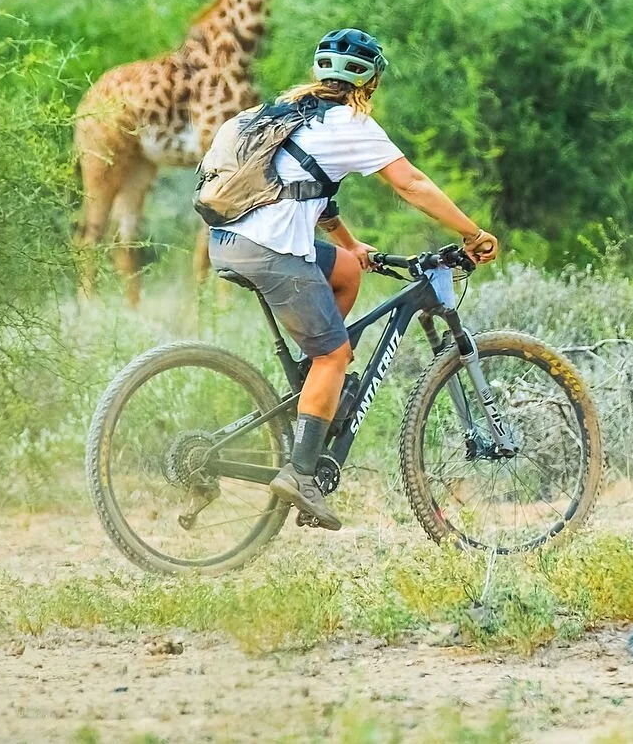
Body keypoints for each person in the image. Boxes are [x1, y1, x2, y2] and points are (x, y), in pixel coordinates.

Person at [207, 28, 499, 530]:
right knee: (334, 354)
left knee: (345, 272)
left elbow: (301, 184)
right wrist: (473, 233)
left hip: (228, 241)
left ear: (319, 73)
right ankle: (301, 471)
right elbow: (411, 183)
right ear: (372, 81)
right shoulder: (351, 123)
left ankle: (312, 399)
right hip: (273, 250)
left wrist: (348, 243)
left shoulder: (280, 111)